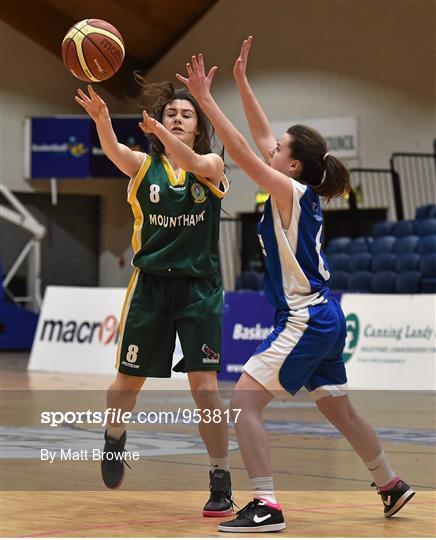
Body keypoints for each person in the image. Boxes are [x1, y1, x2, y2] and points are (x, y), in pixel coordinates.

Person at [175, 37, 415, 533]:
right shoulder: (294, 184)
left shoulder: (288, 188)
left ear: (292, 164)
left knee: (243, 403)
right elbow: (260, 136)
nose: (272, 148)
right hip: (322, 314)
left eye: (280, 149)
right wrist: (242, 84)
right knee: (340, 410)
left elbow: (241, 148)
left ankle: (266, 504)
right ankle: (389, 483)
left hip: (305, 316)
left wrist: (206, 100)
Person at [74, 82, 233, 517]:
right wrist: (103, 120)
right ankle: (114, 435)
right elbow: (114, 153)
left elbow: (196, 160)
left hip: (198, 289)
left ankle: (220, 477)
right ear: (159, 123)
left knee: (206, 392)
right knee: (127, 386)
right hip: (151, 288)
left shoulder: (211, 165)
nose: (178, 118)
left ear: (199, 127)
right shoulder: (144, 166)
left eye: (187, 114)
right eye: (171, 114)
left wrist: (163, 136)